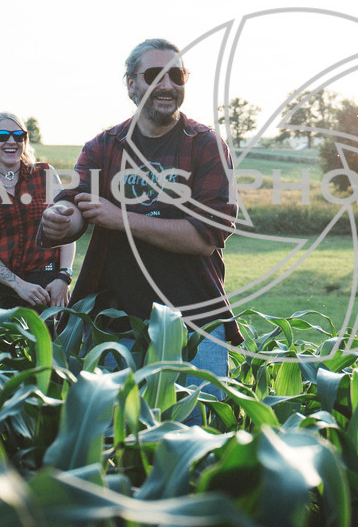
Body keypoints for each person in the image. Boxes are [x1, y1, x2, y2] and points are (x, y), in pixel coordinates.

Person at [40, 38, 238, 386]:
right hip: (116, 325)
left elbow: (205, 237)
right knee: (116, 433)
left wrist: (121, 219)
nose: (167, 85)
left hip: (195, 325)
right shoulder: (103, 147)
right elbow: (77, 204)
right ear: (131, 84)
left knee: (196, 434)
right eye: (154, 75)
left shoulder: (206, 145)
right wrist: (59, 219)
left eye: (176, 76)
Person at [0, 112, 75, 310]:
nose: (11, 141)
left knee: (52, 341)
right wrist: (18, 285)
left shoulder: (45, 174)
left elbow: (66, 231)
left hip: (46, 285)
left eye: (18, 135)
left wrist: (64, 277)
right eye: (3, 135)